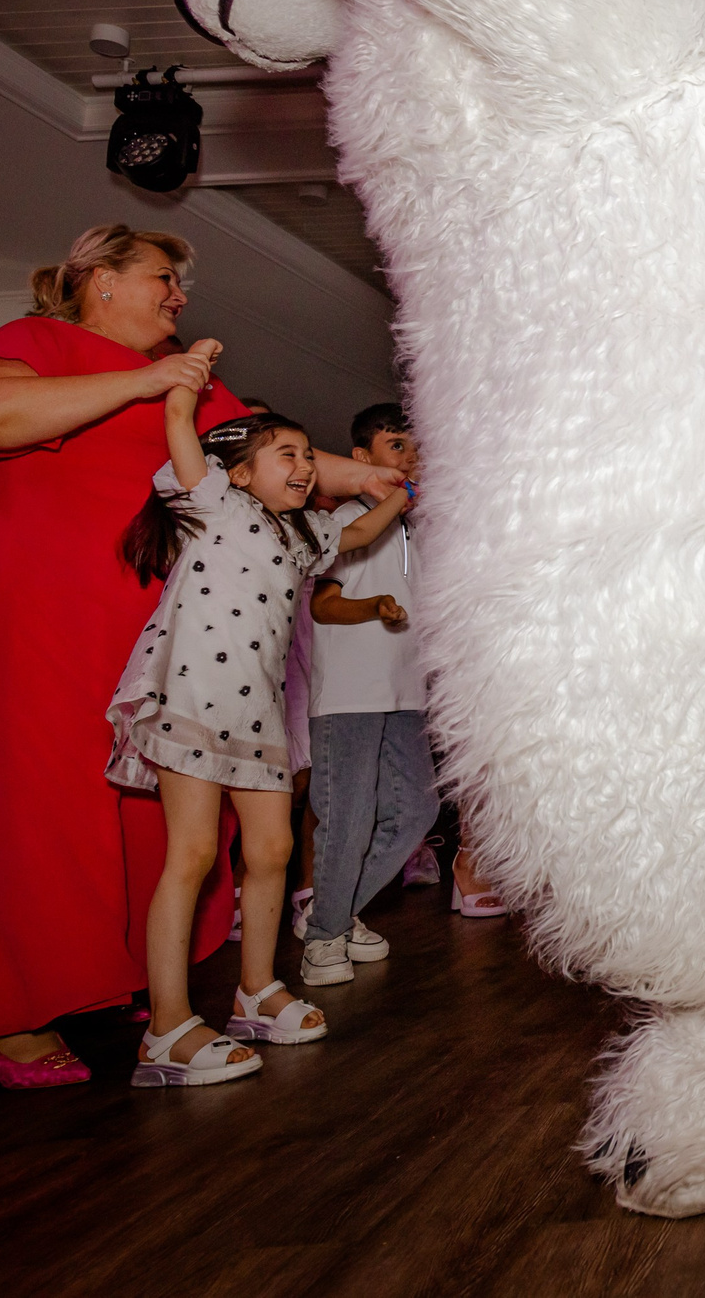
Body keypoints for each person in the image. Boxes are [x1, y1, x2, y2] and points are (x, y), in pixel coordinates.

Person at [0, 224, 391, 1086]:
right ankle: (10, 1010)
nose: (178, 297)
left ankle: (122, 980)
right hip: (35, 609)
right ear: (98, 282)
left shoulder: (194, 384)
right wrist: (153, 380)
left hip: (155, 623)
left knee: (147, 809)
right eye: (162, 278)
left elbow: (274, 460)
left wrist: (371, 480)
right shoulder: (36, 342)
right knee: (35, 796)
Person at [109, 370, 409, 1085]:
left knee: (272, 849)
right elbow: (180, 425)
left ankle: (258, 993)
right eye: (288, 454)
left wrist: (401, 490)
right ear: (238, 473)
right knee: (193, 854)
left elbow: (361, 525)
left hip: (258, 713)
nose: (305, 466)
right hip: (192, 699)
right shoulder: (215, 506)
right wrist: (187, 377)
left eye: (310, 455)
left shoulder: (305, 534)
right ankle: (168, 1027)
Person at [299, 400, 442, 985]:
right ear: (362, 460)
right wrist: (374, 608)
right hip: (350, 694)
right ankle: (322, 939)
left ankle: (332, 914)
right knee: (347, 815)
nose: (413, 457)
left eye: (417, 446)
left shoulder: (418, 530)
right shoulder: (353, 517)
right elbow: (322, 602)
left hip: (406, 692)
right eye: (397, 447)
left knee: (417, 809)